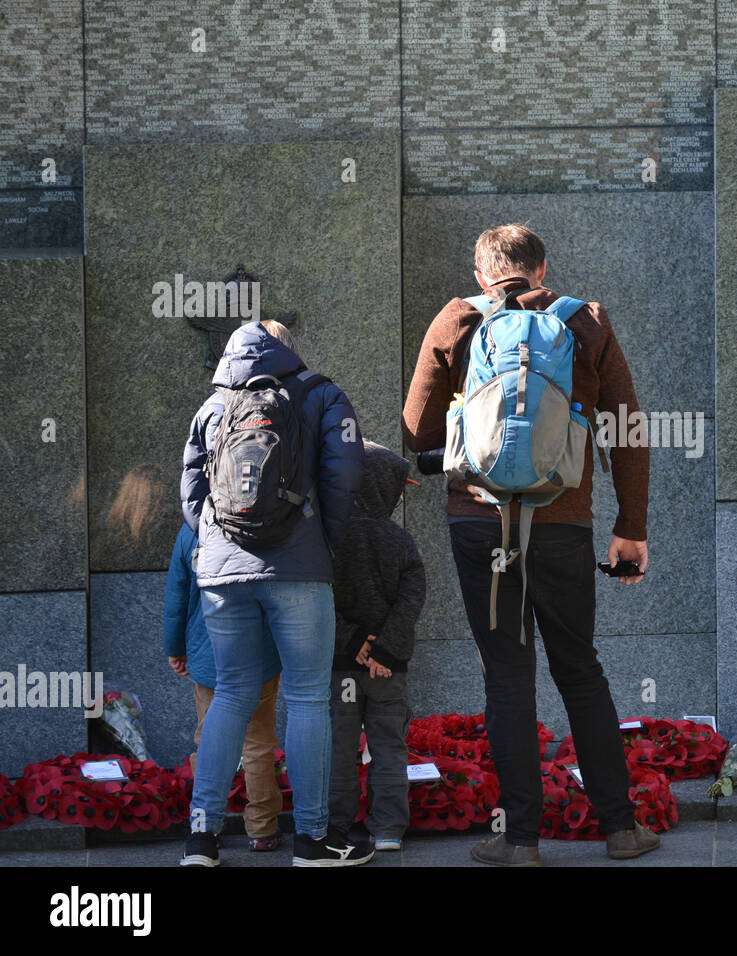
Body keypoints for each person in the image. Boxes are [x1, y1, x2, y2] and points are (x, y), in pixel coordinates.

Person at [402, 223, 658, 865]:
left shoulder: (457, 320)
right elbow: (626, 428)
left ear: (483, 274)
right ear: (542, 269)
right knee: (579, 668)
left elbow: (415, 432)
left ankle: (520, 841)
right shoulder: (585, 321)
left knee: (507, 675)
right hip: (563, 521)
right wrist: (632, 527)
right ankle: (621, 829)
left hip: (479, 523)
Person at [179, 319, 367, 867]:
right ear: (290, 351)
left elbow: (191, 493)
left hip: (220, 574)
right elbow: (346, 473)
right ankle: (312, 840)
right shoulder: (322, 394)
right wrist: (320, 539)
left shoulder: (211, 407)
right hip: (298, 570)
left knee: (233, 694)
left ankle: (201, 838)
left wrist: (219, 541)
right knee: (307, 697)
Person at [328, 439, 426, 852]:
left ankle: (335, 826)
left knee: (339, 747)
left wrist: (354, 643)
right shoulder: (400, 540)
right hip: (388, 670)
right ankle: (387, 830)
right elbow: (412, 598)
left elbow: (318, 600)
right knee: (388, 747)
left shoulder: (327, 540)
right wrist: (384, 651)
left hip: (340, 666)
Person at [164, 522, 284, 851]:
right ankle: (262, 829)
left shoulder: (191, 529)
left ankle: (207, 826)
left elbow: (177, 593)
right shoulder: (269, 518)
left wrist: (176, 647)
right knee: (258, 743)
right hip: (261, 655)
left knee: (208, 740)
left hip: (208, 655)